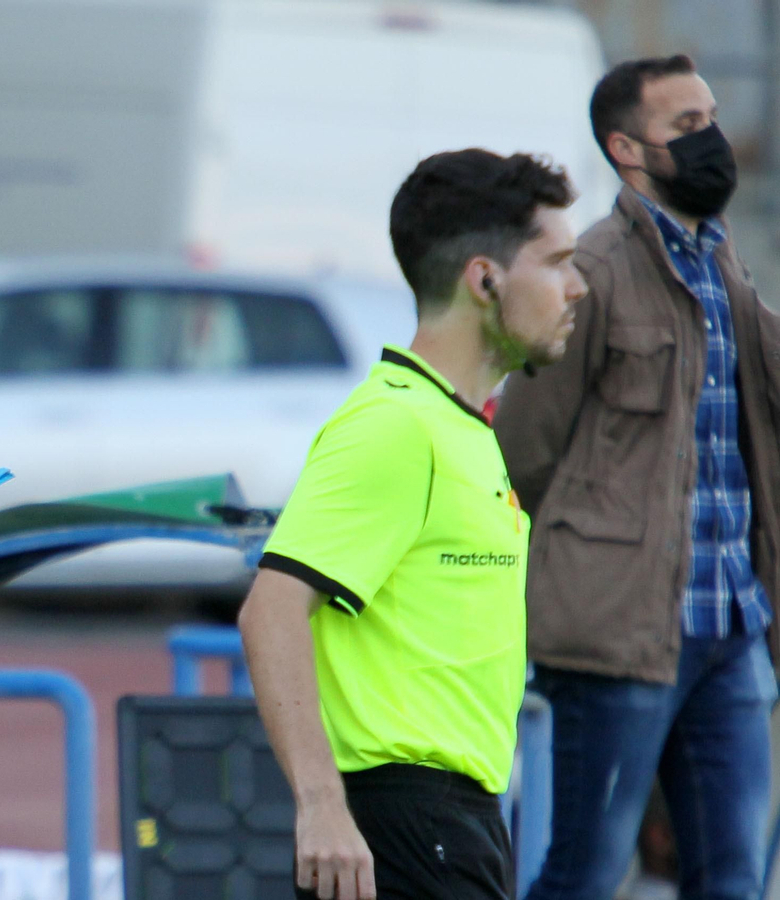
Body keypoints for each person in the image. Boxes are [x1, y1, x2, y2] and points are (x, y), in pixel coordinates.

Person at [238, 149, 585, 900]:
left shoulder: (459, 428)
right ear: (486, 279)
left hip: (453, 824)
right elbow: (270, 609)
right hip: (401, 826)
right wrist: (323, 808)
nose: (577, 286)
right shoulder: (396, 425)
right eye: (558, 262)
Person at [494, 54, 780, 900]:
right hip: (620, 636)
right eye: (685, 127)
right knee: (585, 871)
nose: (712, 142)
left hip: (731, 624)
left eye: (712, 119)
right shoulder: (591, 273)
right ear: (627, 149)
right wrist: (587, 570)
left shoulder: (724, 265)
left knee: (732, 876)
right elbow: (524, 455)